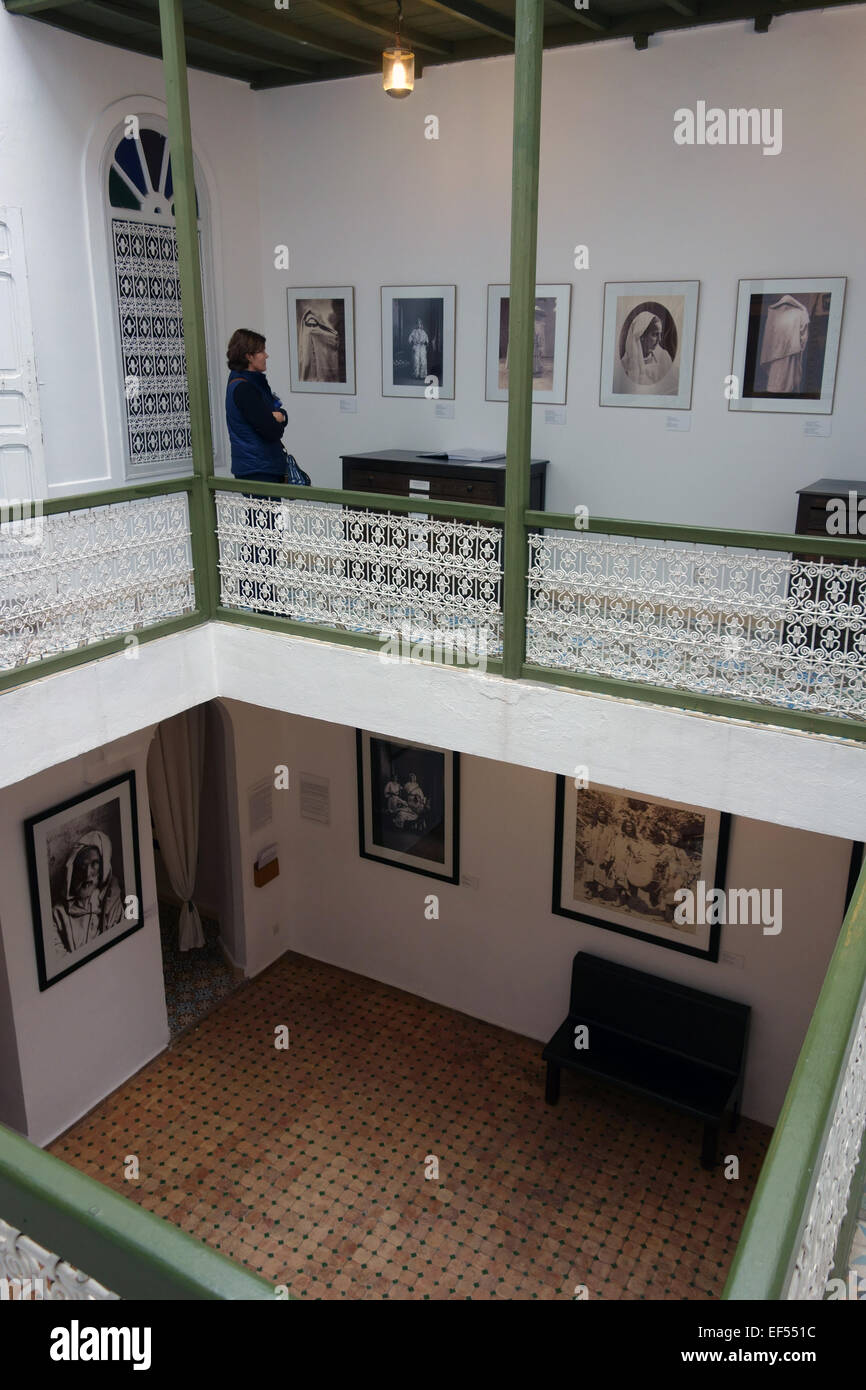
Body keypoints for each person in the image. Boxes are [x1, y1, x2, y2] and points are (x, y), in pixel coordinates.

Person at [225, 329, 291, 484]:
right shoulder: (244, 388)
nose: (266, 355)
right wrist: (279, 420)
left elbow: (274, 414)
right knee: (263, 509)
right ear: (248, 356)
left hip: (258, 465)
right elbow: (271, 430)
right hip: (258, 468)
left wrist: (281, 416)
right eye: (261, 351)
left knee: (265, 509)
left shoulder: (249, 383)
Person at [53, 831, 124, 955]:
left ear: (103, 868)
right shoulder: (58, 913)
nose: (87, 874)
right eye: (82, 866)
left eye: (94, 864)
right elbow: (57, 955)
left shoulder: (111, 899)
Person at [621, 311, 674, 387]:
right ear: (641, 336)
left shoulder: (664, 358)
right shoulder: (625, 364)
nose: (659, 339)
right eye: (655, 334)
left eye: (660, 334)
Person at [298, 307, 340, 383]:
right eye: (309, 325)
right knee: (307, 363)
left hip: (322, 375)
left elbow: (330, 336)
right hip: (308, 376)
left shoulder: (320, 333)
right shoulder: (306, 335)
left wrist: (334, 336)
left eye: (313, 325)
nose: (311, 329)